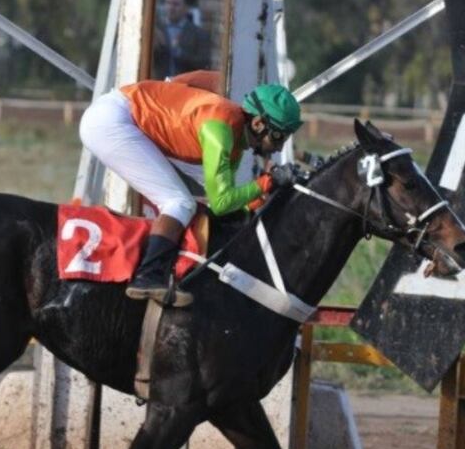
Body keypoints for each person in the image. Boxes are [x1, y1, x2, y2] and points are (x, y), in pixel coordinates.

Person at [78, 78, 304, 307]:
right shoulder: (221, 131)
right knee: (179, 202)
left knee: (192, 199)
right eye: (278, 136)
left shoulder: (234, 138)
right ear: (258, 123)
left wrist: (261, 197)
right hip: (113, 121)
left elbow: (228, 200)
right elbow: (221, 203)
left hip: (126, 116)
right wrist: (266, 183)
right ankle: (148, 276)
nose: (279, 147)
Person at [152, 0, 210, 80]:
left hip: (185, 84)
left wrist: (179, 52)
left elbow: (203, 64)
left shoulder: (198, 33)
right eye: (168, 3)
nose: (171, 8)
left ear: (186, 8)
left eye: (176, 4)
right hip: (158, 83)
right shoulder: (157, 30)